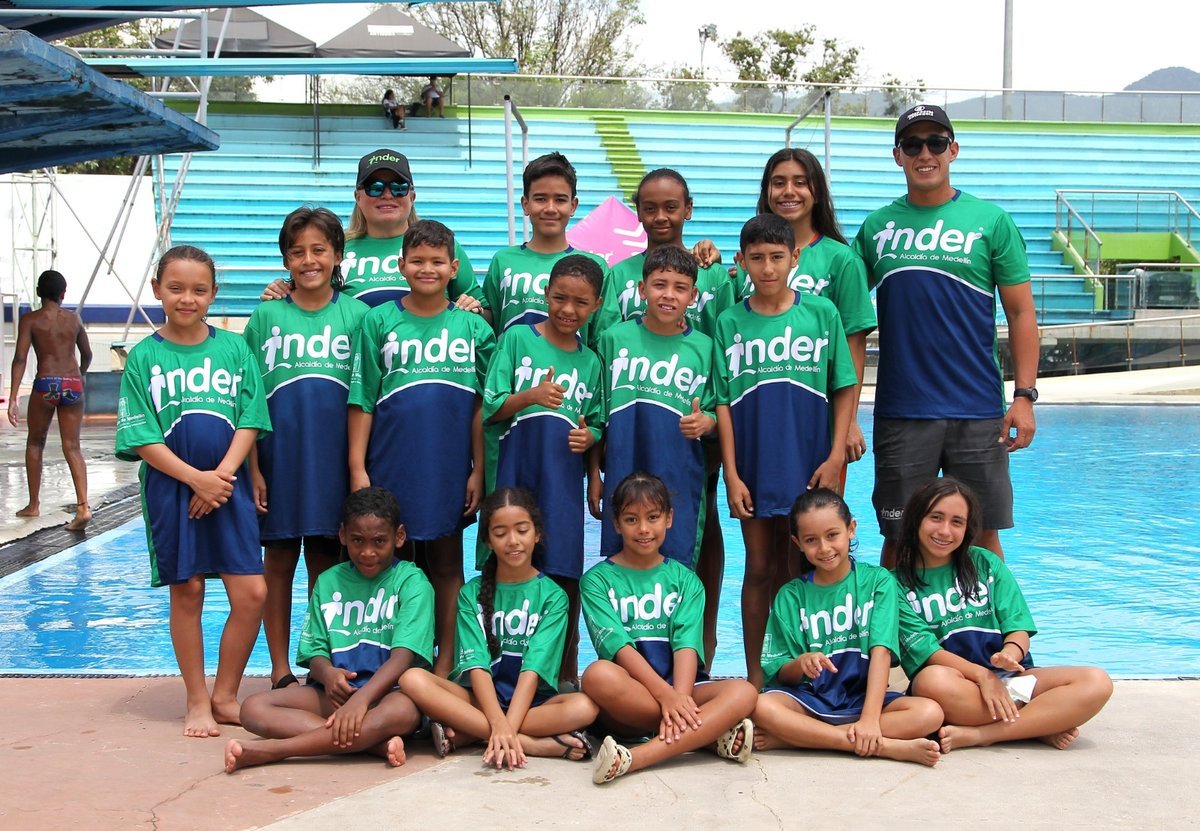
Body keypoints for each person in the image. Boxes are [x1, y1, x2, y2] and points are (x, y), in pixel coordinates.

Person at [852, 104, 1040, 567]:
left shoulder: (990, 221)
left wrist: (1025, 396)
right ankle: (890, 641)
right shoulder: (877, 229)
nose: (925, 153)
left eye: (936, 143)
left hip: (976, 409)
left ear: (953, 150)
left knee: (981, 539)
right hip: (902, 411)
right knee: (899, 539)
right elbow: (844, 310)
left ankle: (998, 638)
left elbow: (1020, 312)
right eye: (913, 144)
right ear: (897, 155)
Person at [114, 245, 270, 738]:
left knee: (252, 593)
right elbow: (140, 437)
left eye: (199, 290)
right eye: (176, 288)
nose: (187, 298)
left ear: (213, 295)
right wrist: (194, 478)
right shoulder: (144, 356)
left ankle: (225, 693)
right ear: (157, 290)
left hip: (228, 486)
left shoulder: (234, 348)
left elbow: (251, 417)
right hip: (172, 490)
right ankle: (196, 699)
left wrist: (219, 477)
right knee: (189, 591)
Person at [590, 168, 732, 663]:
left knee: (684, 550)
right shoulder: (616, 316)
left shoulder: (711, 293)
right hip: (626, 454)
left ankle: (693, 661)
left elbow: (721, 396)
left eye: (672, 207)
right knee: (622, 553)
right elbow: (595, 395)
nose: (661, 216)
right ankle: (622, 667)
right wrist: (595, 469)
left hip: (684, 461)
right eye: (650, 207)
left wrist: (712, 426)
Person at [714, 214, 859, 688]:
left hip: (810, 459)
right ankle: (758, 674)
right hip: (755, 463)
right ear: (741, 262)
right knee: (759, 565)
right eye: (756, 258)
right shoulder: (729, 321)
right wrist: (732, 475)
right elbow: (723, 403)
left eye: (778, 257)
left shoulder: (822, 314)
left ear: (796, 257)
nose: (768, 267)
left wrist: (836, 455)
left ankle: (806, 671)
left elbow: (843, 387)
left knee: (804, 564)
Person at [348, 220, 495, 677]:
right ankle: (397, 660)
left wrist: (477, 470)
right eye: (417, 261)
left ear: (454, 268)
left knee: (447, 563)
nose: (426, 269)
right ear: (401, 265)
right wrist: (357, 465)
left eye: (437, 262)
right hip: (391, 463)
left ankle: (446, 663)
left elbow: (482, 407)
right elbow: (363, 398)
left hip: (448, 466)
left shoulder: (473, 329)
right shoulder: (379, 321)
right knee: (395, 566)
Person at [244, 206, 370, 690]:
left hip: (333, 464)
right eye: (297, 252)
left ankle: (322, 662)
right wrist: (254, 469)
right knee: (277, 563)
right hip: (279, 462)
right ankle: (279, 668)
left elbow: (365, 398)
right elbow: (248, 402)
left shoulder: (358, 316)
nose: (308, 260)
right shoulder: (265, 316)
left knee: (326, 565)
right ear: (284, 260)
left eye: (319, 250)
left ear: (338, 255)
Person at [892, 478, 1113, 753]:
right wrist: (983, 677)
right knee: (931, 680)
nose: (945, 531)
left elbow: (1017, 626)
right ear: (916, 520)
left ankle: (982, 734)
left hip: (1011, 684)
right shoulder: (895, 586)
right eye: (936, 518)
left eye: (957, 522)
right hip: (961, 688)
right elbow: (927, 652)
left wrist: (1010, 653)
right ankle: (1040, 722)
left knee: (1096, 681)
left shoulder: (985, 563)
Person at [225, 487, 433, 772]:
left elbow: (402, 658)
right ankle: (372, 744)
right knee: (253, 709)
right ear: (343, 535)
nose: (367, 551)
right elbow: (316, 652)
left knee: (403, 712)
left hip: (390, 693)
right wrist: (327, 674)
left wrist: (362, 700)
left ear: (398, 537)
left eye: (379, 541)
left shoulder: (412, 582)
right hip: (338, 695)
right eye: (357, 540)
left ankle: (276, 750)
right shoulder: (328, 581)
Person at [400, 487, 599, 767]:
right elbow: (478, 666)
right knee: (412, 679)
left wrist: (506, 725)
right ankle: (530, 744)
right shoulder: (471, 594)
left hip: (532, 704)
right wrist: (500, 724)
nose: (513, 541)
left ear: (537, 533)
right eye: (500, 532)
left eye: (521, 530)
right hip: (480, 700)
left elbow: (533, 670)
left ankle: (473, 734)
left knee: (584, 707)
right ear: (488, 541)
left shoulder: (554, 597)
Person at [580, 472, 758, 785]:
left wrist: (680, 696)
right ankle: (705, 735)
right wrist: (666, 697)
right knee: (597, 676)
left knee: (743, 691)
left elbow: (686, 645)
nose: (644, 529)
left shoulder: (686, 581)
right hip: (631, 702)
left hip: (683, 690)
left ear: (669, 519)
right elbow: (619, 649)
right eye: (632, 519)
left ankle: (637, 758)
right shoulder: (596, 581)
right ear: (617, 523)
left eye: (653, 517)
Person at [482, 254, 605, 690]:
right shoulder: (516, 339)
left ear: (596, 305)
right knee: (506, 564)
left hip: (563, 486)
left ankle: (564, 675)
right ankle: (495, 666)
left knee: (563, 573)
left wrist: (590, 452)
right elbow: (491, 407)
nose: (568, 310)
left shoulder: (591, 362)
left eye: (580, 302)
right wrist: (531, 395)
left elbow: (596, 422)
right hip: (517, 476)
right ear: (546, 295)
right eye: (559, 298)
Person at [750, 488, 943, 767]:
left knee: (929, 712)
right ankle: (879, 746)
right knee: (761, 706)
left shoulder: (878, 581)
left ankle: (799, 738)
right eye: (811, 540)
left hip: (863, 699)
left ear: (850, 529)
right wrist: (801, 662)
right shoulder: (791, 595)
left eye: (832, 535)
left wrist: (869, 719)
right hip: (811, 702)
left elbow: (881, 652)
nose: (825, 548)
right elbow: (779, 672)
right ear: (797, 543)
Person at [739, 149, 876, 472]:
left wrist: (851, 420)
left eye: (800, 182)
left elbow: (853, 345)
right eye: (778, 183)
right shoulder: (753, 261)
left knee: (817, 518)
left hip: (820, 417)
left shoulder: (842, 260)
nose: (788, 191)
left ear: (817, 192)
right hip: (760, 415)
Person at [591, 244, 715, 569]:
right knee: (620, 562)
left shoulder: (705, 348)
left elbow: (718, 410)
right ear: (642, 289)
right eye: (660, 285)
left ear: (693, 295)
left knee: (676, 564)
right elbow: (594, 415)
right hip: (621, 468)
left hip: (679, 474)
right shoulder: (613, 340)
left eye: (680, 288)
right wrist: (593, 474)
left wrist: (708, 423)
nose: (668, 295)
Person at [261, 150, 480, 311]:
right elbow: (305, 295)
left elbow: (485, 312)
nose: (387, 194)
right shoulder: (335, 251)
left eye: (398, 187)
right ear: (358, 197)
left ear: (412, 197)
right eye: (374, 187)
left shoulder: (442, 246)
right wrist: (281, 289)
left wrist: (474, 307)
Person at [479, 152, 608, 338]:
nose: (550, 208)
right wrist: (474, 309)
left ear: (573, 205)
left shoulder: (596, 267)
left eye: (560, 200)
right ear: (525, 204)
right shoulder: (503, 260)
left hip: (572, 367)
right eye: (540, 199)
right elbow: (490, 320)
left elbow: (603, 336)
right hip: (513, 366)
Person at [7, 269, 93, 531]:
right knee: (72, 447)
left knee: (35, 442)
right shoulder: (74, 320)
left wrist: (12, 397)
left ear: (38, 292)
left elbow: (20, 358)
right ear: (63, 294)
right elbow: (86, 354)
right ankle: (83, 506)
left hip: (46, 385)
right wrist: (79, 375)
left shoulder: (30, 320)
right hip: (72, 385)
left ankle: (33, 505)